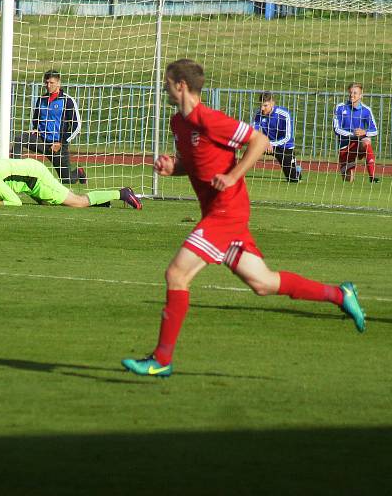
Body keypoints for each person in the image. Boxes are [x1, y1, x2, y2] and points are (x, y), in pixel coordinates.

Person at [121, 59, 365, 378]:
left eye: (168, 83)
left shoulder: (210, 119)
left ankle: (162, 359)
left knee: (176, 275)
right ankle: (339, 294)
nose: (165, 87)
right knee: (263, 283)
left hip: (227, 212)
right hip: (215, 213)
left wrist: (235, 176)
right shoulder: (178, 124)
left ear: (181, 85)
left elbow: (259, 142)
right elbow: (198, 163)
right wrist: (173, 168)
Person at [0, 158, 142, 209]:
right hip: (30, 175)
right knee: (52, 204)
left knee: (78, 202)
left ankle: (122, 193)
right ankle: (102, 202)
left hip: (36, 179)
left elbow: (15, 202)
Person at [11, 70, 86, 185]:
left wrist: (61, 142)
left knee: (67, 180)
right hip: (41, 140)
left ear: (58, 83)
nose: (48, 85)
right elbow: (36, 118)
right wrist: (36, 128)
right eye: (46, 83)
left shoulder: (68, 101)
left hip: (57, 146)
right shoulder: (41, 100)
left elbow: (77, 126)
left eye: (51, 82)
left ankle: (79, 172)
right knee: (19, 139)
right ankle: (14, 172)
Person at [333, 83, 380, 183]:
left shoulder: (366, 110)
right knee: (348, 180)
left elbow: (375, 130)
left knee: (366, 142)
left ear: (360, 95)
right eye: (350, 93)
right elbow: (336, 129)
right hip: (346, 146)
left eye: (355, 93)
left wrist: (365, 132)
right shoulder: (340, 108)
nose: (352, 95)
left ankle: (372, 177)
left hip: (359, 143)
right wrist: (352, 134)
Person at [252, 92, 302, 182]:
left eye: (265, 105)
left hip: (284, 147)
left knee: (293, 179)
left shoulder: (284, 114)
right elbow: (253, 132)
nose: (262, 108)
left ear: (272, 103)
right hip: (266, 145)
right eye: (261, 106)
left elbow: (287, 137)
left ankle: (296, 169)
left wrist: (270, 143)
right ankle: (237, 174)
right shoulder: (258, 114)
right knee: (250, 148)